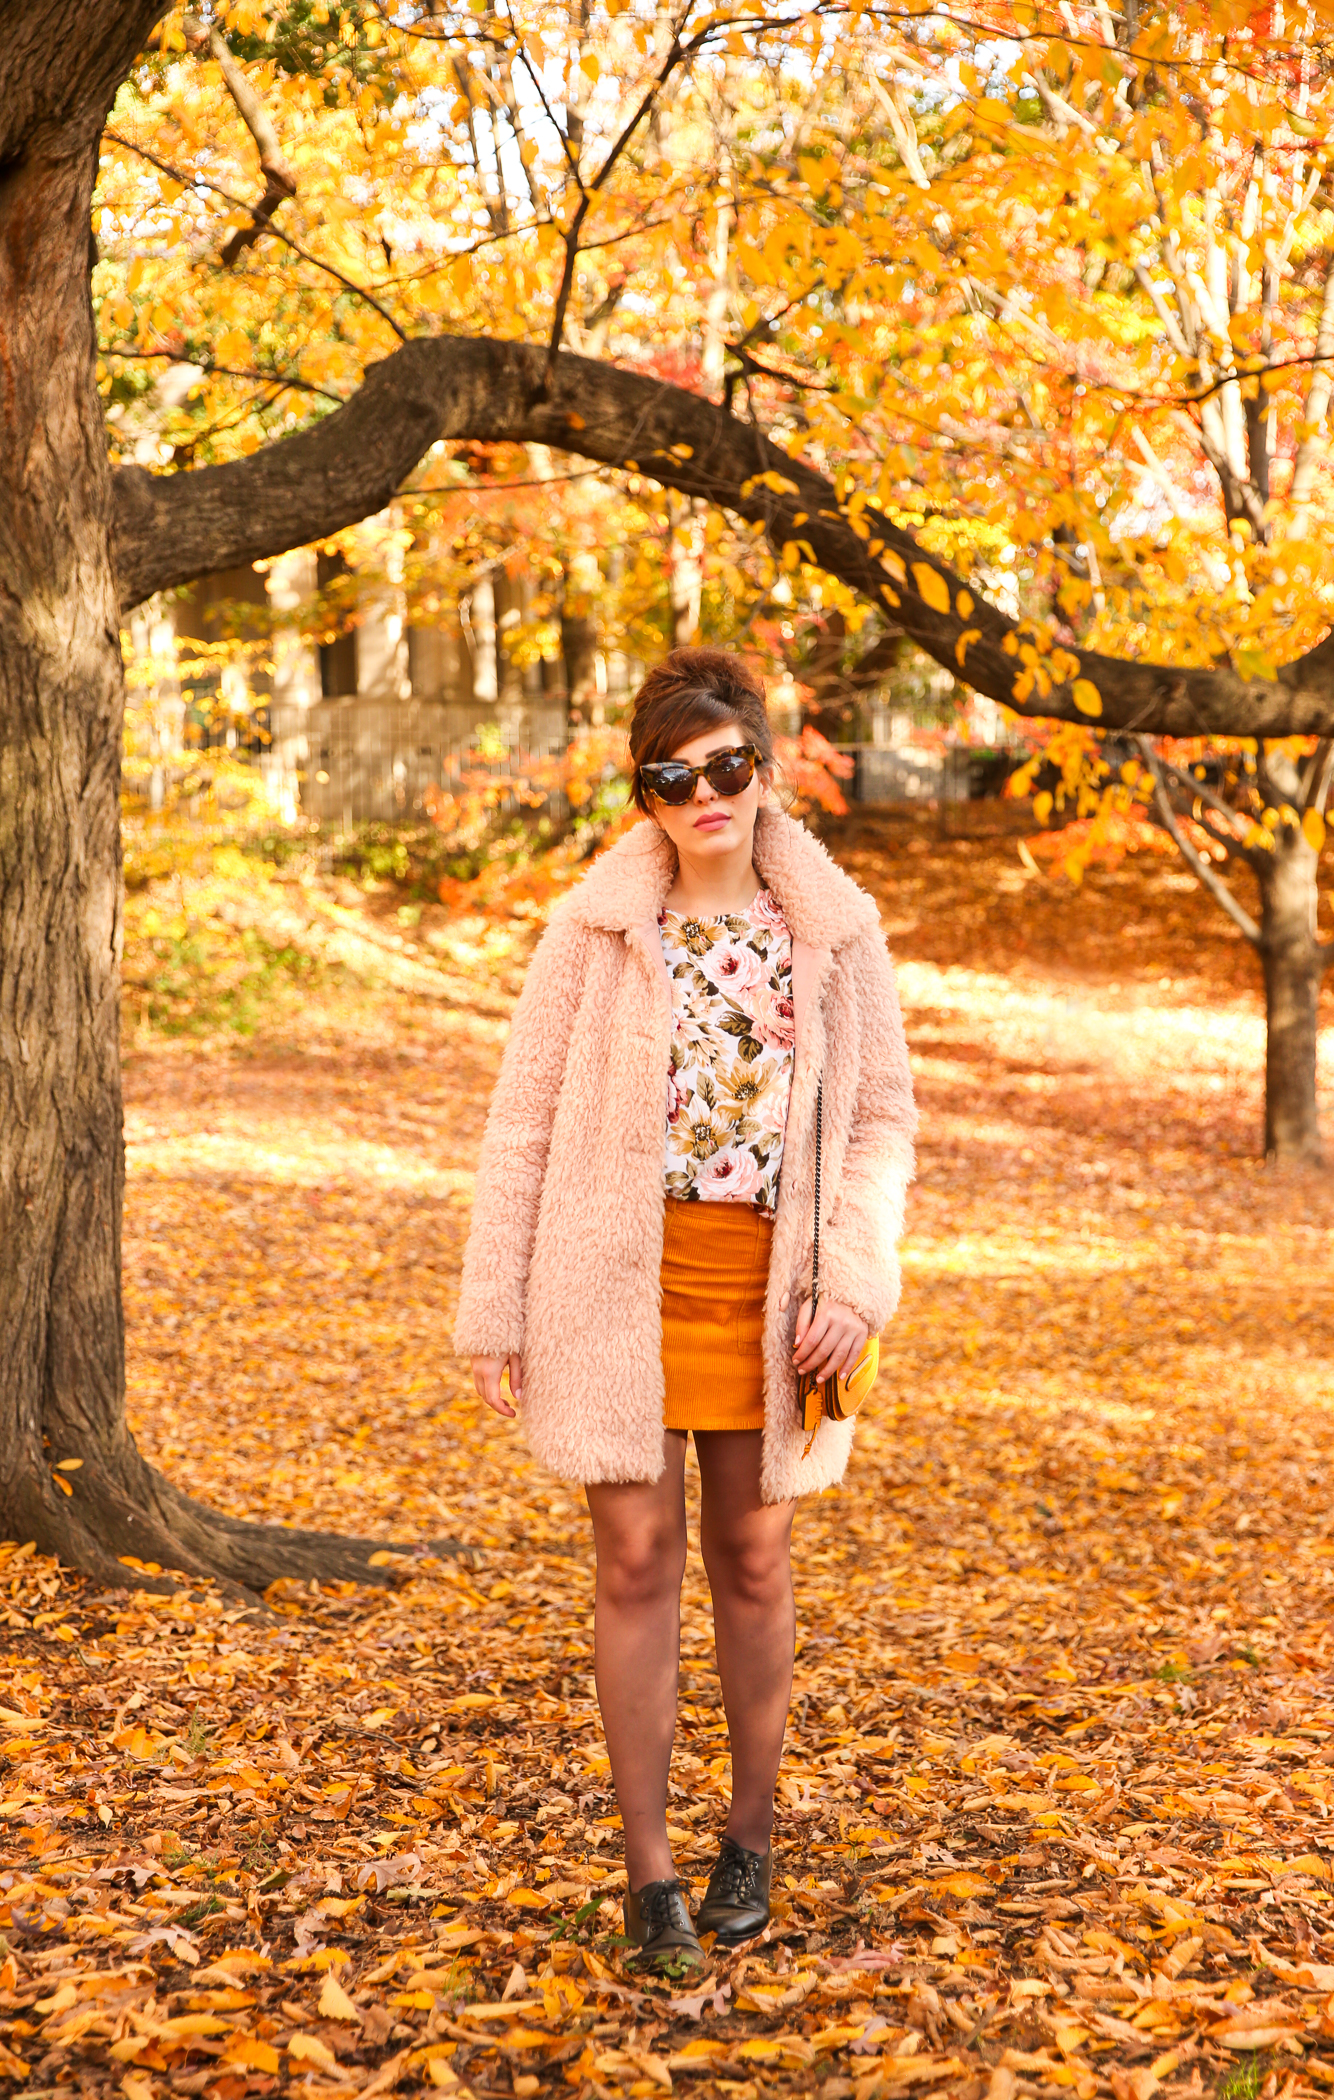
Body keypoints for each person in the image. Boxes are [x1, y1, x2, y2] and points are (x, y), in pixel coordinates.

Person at [455, 647, 916, 1967]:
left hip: (776, 1291)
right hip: (612, 1283)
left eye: (728, 766)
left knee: (757, 1558)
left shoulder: (836, 934)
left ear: (763, 771)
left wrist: (856, 1278)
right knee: (636, 1560)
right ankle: (649, 1876)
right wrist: (494, 1311)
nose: (707, 792)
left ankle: (749, 1841)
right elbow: (522, 1132)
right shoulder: (594, 933)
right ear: (645, 790)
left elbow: (880, 1120)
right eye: (675, 773)